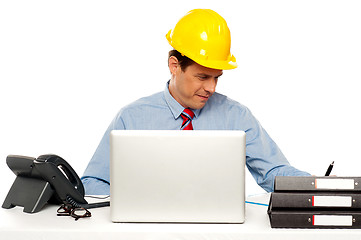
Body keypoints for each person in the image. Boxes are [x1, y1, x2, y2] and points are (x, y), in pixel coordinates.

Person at [81, 9, 310, 195]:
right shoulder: (131, 117)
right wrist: (131, 201)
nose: (211, 88)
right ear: (174, 66)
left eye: (216, 78)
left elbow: (273, 172)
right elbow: (93, 181)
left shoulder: (236, 116)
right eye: (202, 77)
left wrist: (317, 185)